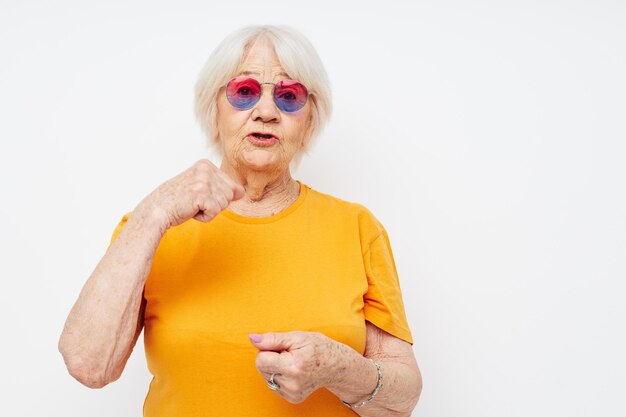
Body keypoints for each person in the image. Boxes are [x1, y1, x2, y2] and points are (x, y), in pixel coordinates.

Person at [59, 25, 422, 417]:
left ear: (310, 120)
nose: (266, 112)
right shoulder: (152, 225)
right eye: (244, 92)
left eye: (288, 97)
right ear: (213, 108)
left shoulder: (356, 227)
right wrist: (155, 211)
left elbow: (403, 400)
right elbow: (88, 365)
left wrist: (342, 368)